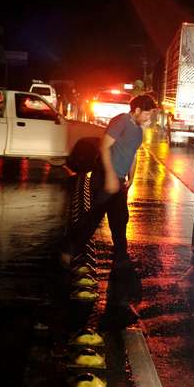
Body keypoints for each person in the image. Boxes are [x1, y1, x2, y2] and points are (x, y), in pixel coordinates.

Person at [62, 94, 157, 269]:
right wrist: (112, 176)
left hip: (119, 181)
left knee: (120, 221)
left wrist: (131, 178)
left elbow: (133, 154)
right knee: (93, 218)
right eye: (147, 114)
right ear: (136, 110)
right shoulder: (121, 121)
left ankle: (121, 259)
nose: (148, 118)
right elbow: (104, 146)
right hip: (104, 176)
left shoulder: (138, 130)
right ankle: (68, 250)